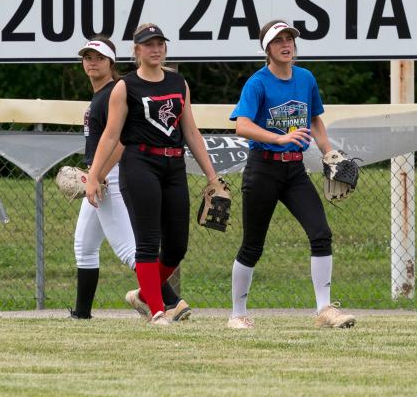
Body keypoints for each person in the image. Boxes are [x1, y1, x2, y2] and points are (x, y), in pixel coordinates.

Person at [85, 23, 219, 325]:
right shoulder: (126, 86)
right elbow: (110, 135)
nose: (155, 48)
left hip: (174, 165)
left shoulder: (178, 82)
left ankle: (145, 294)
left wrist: (212, 176)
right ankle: (158, 311)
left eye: (160, 43)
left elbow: (191, 132)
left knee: (177, 245)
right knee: (148, 241)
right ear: (137, 51)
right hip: (140, 163)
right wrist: (94, 175)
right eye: (148, 44)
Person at [227, 20, 355, 330]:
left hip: (294, 169)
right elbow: (242, 125)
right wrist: (280, 138)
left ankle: (324, 309)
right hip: (263, 168)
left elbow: (315, 121)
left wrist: (328, 153)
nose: (286, 44)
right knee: (253, 245)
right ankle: (237, 314)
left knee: (320, 232)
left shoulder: (305, 78)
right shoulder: (258, 83)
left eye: (290, 39)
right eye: (278, 40)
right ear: (267, 49)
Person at [69, 36, 191, 321]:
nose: (92, 62)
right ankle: (82, 313)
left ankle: (171, 302)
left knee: (128, 249)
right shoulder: (101, 94)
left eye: (99, 57)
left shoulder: (116, 91)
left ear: (112, 61)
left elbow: (122, 141)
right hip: (98, 175)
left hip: (112, 176)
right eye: (87, 57)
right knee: (84, 246)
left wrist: (97, 176)